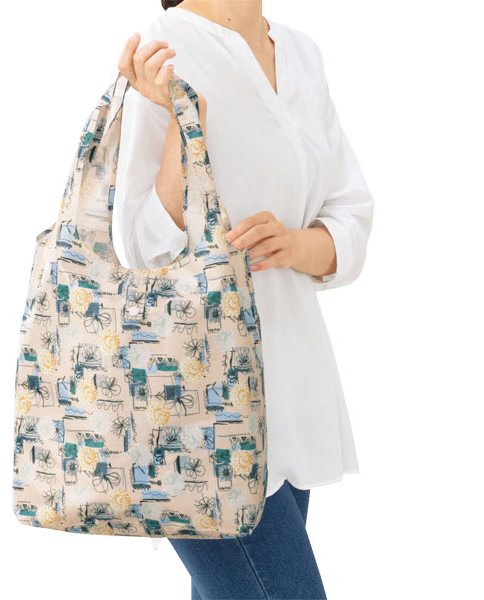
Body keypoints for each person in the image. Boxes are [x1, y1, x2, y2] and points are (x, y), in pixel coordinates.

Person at [114, 1, 374, 598]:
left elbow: (351, 214)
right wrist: (182, 128)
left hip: (290, 392)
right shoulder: (164, 46)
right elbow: (143, 251)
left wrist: (295, 244)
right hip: (198, 411)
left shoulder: (301, 53)